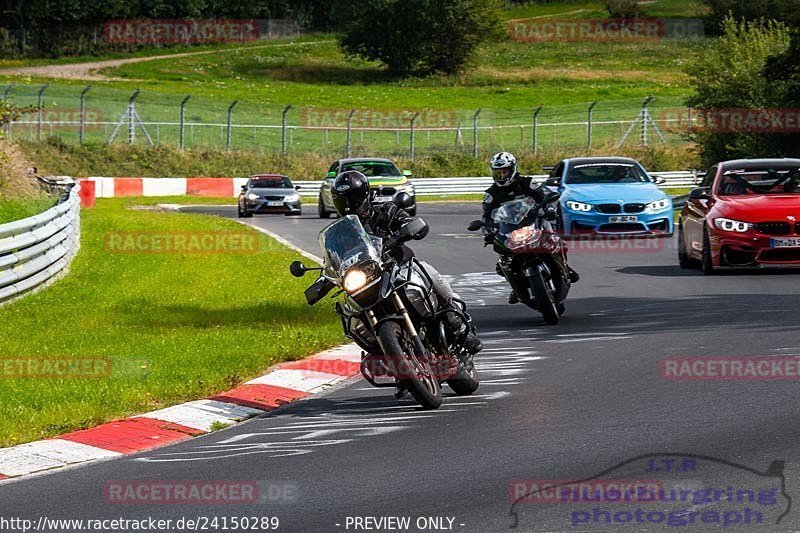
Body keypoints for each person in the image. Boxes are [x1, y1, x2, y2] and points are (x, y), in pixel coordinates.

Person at [330, 170, 483, 358]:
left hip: (401, 267)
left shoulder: (385, 211)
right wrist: (325, 277)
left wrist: (404, 231)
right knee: (350, 313)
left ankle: (459, 327)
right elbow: (333, 259)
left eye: (352, 198)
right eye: (342, 200)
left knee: (429, 274)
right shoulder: (341, 233)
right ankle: (391, 362)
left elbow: (411, 222)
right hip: (368, 282)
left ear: (364, 195)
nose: (348, 205)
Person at [483, 152, 580, 304]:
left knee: (553, 239)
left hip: (534, 221)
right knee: (503, 262)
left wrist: (549, 210)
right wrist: (487, 231)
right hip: (511, 228)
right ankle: (517, 287)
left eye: (504, 172)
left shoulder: (527, 183)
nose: (501, 175)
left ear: (513, 169)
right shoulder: (491, 193)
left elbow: (545, 197)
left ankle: (566, 268)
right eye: (497, 172)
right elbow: (486, 215)